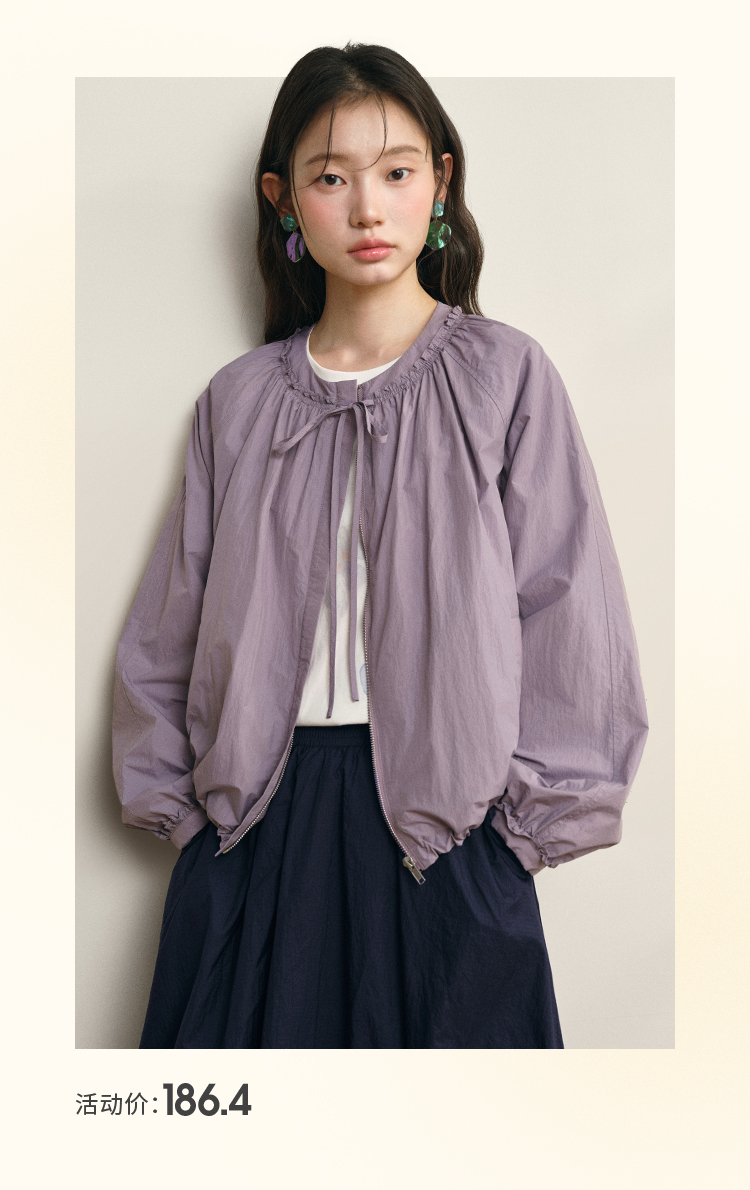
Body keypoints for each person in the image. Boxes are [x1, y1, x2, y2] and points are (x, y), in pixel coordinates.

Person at [112, 43, 649, 1049]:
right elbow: (167, 626)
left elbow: (573, 611)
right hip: (255, 829)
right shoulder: (238, 402)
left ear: (440, 180)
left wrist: (521, 837)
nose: (368, 208)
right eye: (331, 178)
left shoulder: (505, 376)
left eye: (397, 172)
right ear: (283, 199)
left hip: (450, 837)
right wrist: (186, 818)